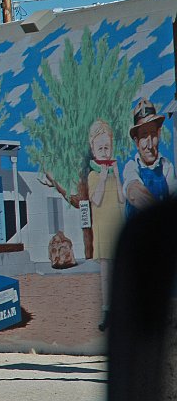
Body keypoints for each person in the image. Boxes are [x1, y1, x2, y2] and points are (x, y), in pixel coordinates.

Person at [87, 119, 124, 331]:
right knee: (106, 275)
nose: (104, 152)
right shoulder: (93, 175)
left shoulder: (114, 174)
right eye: (100, 148)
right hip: (102, 230)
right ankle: (107, 310)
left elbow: (121, 198)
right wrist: (102, 177)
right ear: (93, 150)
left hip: (117, 227)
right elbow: (97, 200)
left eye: (107, 147)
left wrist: (116, 176)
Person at [123, 98, 177, 217]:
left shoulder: (167, 167)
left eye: (153, 135)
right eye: (143, 136)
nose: (149, 145)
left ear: (158, 134)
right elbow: (133, 192)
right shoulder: (131, 167)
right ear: (137, 142)